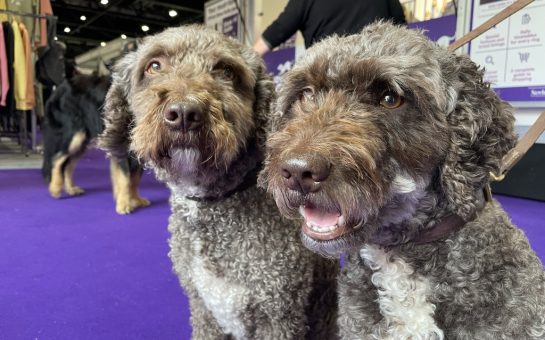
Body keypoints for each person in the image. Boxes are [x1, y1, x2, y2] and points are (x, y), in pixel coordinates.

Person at [253, 0, 407, 56]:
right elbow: (402, 29)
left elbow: (278, 30)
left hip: (326, 81)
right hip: (375, 79)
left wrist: (249, 57)